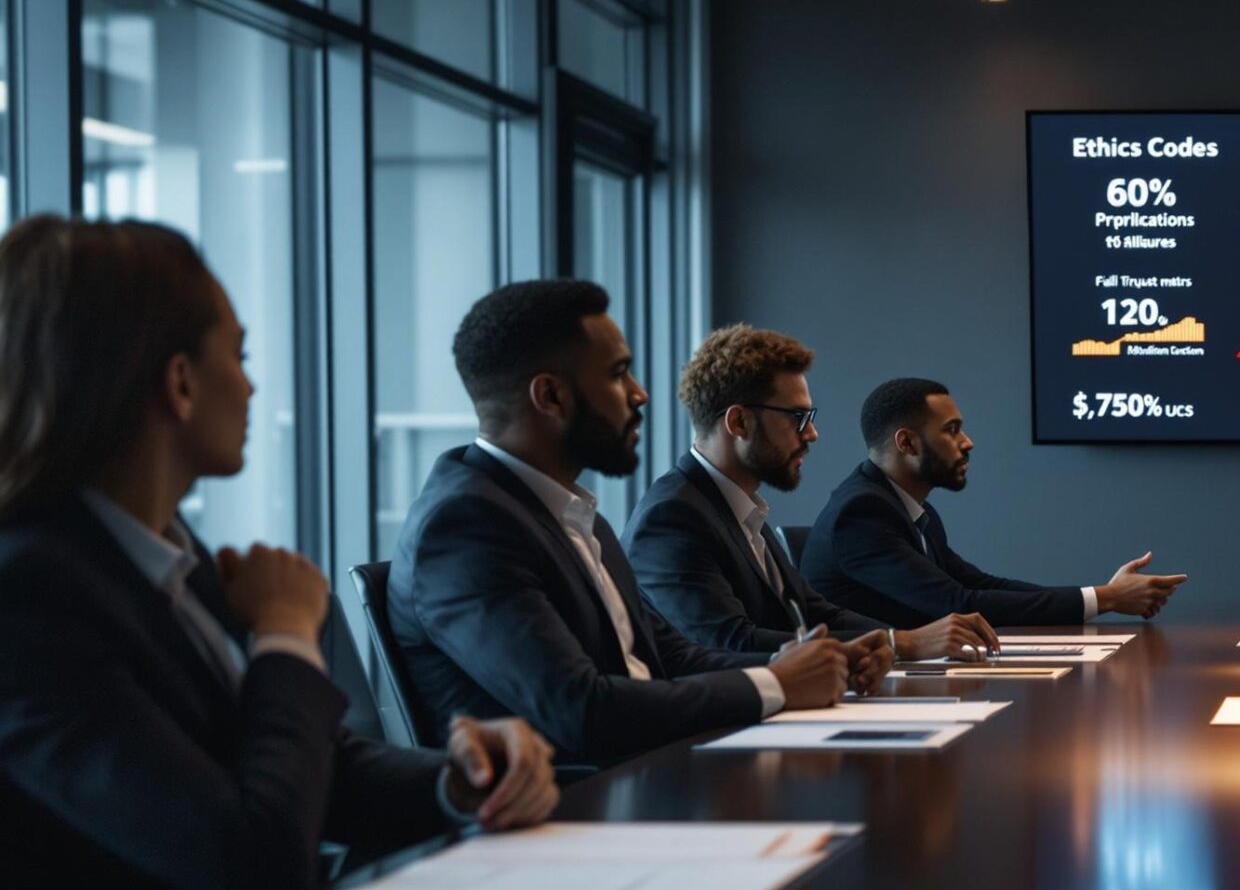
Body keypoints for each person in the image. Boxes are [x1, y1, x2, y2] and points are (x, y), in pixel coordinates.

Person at [0, 217, 555, 890]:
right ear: (180, 382)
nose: (254, 386)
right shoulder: (30, 599)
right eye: (241, 354)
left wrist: (462, 779)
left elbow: (305, 768)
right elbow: (254, 856)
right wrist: (288, 635)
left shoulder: (158, 550)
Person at [390, 281, 872, 768]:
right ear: (551, 396)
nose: (640, 394)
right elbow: (583, 710)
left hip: (646, 776)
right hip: (573, 815)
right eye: (619, 374)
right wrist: (776, 683)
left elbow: (672, 658)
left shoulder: (574, 516)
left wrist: (799, 664)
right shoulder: (464, 528)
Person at [627, 326, 1000, 661]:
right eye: (797, 418)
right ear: (738, 422)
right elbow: (727, 642)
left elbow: (816, 611)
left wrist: (899, 639)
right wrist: (899, 645)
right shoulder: (673, 517)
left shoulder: (734, 506)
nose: (811, 435)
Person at [804, 377, 1189, 628]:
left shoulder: (911, 510)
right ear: (906, 443)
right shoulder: (861, 514)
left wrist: (1101, 595)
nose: (967, 441)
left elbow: (978, 584)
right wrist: (1106, 599)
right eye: (952, 430)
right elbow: (954, 603)